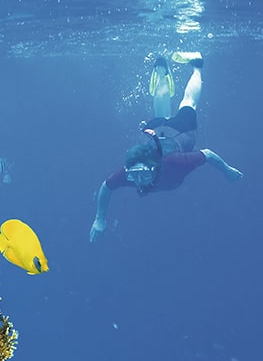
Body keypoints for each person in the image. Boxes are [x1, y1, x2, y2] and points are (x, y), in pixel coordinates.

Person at [89, 52, 243, 242]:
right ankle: (161, 72)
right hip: (153, 131)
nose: (138, 181)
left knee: (189, 102)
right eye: (135, 175)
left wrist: (227, 170)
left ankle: (197, 65)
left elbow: (208, 154)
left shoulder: (175, 162)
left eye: (142, 175)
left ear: (154, 167)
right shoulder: (132, 172)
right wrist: (99, 219)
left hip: (180, 131)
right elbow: (106, 186)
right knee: (164, 114)